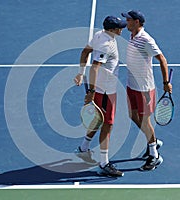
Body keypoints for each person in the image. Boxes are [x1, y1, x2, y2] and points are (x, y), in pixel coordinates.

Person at [73, 16, 126, 177]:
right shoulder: (106, 45)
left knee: (98, 119)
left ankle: (83, 147)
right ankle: (104, 163)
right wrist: (91, 92)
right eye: (119, 27)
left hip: (103, 89)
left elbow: (85, 52)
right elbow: (95, 67)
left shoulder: (100, 35)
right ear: (112, 29)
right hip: (105, 91)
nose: (122, 29)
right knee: (108, 124)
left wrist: (80, 74)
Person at [121, 10, 172, 171]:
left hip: (143, 88)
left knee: (144, 120)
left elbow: (162, 59)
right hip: (131, 85)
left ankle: (154, 155)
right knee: (132, 115)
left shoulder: (146, 39)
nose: (126, 22)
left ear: (137, 22)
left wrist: (166, 82)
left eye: (128, 20)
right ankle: (153, 141)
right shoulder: (132, 36)